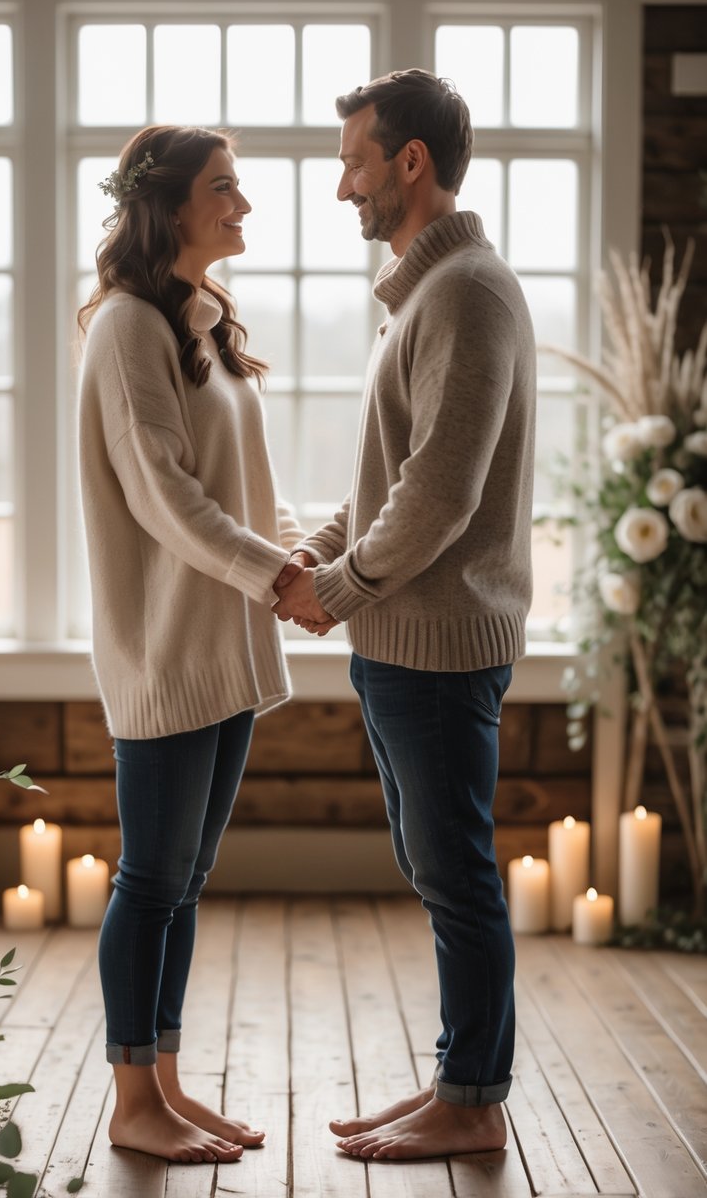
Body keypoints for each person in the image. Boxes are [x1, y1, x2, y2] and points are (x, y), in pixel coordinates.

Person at [273, 69, 536, 1160]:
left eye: (353, 161)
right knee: (440, 871)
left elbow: (439, 490)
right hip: (405, 641)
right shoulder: (429, 295)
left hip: (433, 647)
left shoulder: (466, 290)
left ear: (409, 162)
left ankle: (472, 1100)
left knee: (455, 875)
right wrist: (320, 551)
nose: (344, 187)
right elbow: (390, 481)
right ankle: (455, 1079)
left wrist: (335, 590)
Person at [77, 124, 304, 1164]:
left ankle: (164, 1084)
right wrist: (279, 576)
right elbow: (166, 501)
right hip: (167, 649)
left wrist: (311, 556)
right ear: (166, 206)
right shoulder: (125, 327)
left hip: (223, 646)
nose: (243, 205)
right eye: (224, 187)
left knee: (186, 879)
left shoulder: (202, 325)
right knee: (152, 880)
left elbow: (241, 489)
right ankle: (132, 1102)